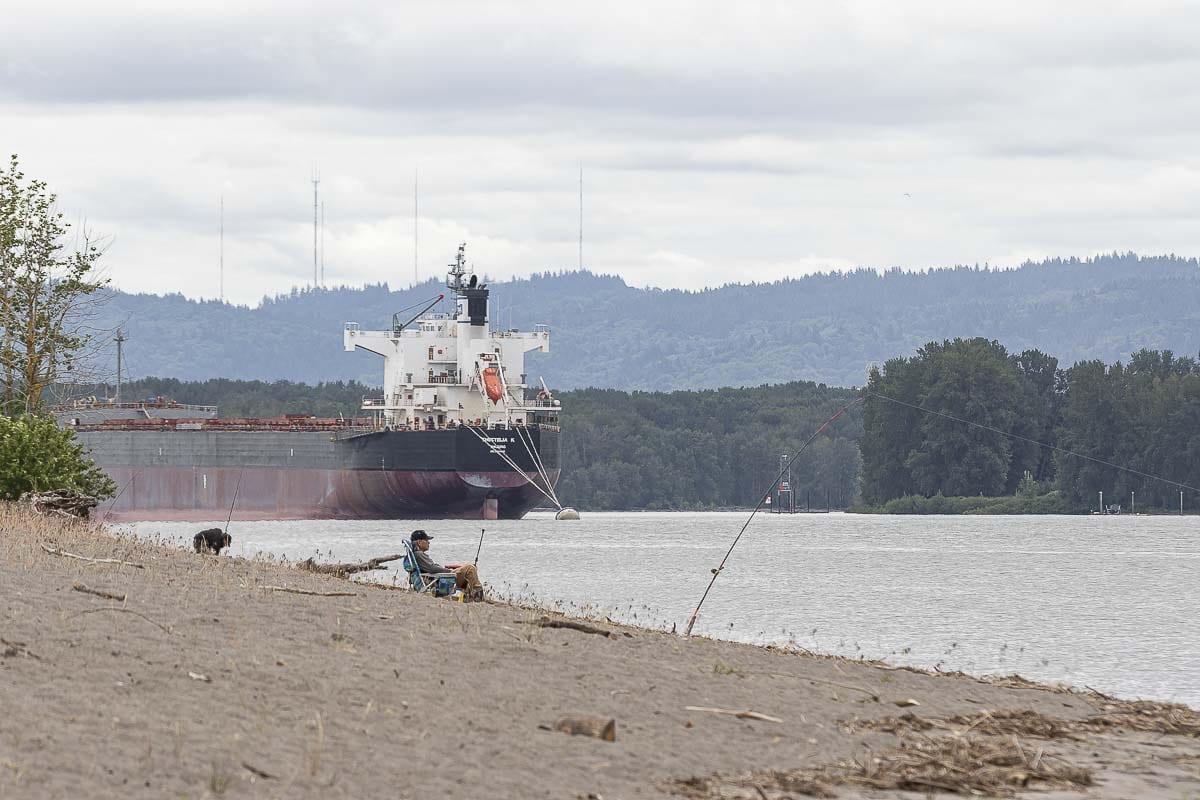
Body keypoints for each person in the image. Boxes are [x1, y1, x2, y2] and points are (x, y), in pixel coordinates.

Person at [409, 530, 484, 601]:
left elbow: (431, 567)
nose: (429, 543)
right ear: (419, 542)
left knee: (469, 569)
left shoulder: (418, 555)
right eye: (427, 540)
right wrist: (449, 571)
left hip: (439, 578)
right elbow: (432, 569)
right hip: (441, 579)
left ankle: (470, 596)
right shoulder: (419, 554)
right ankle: (478, 597)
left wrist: (445, 568)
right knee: (470, 568)